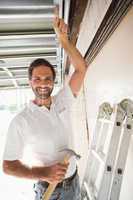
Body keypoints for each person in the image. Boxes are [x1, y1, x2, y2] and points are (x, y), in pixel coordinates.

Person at [2, 17, 87, 200]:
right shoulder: (21, 121)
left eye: (48, 78)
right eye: (37, 79)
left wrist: (64, 42)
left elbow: (81, 69)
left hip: (73, 183)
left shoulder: (63, 101)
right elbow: (8, 166)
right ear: (30, 82)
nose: (43, 84)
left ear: (53, 81)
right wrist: (43, 172)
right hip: (49, 191)